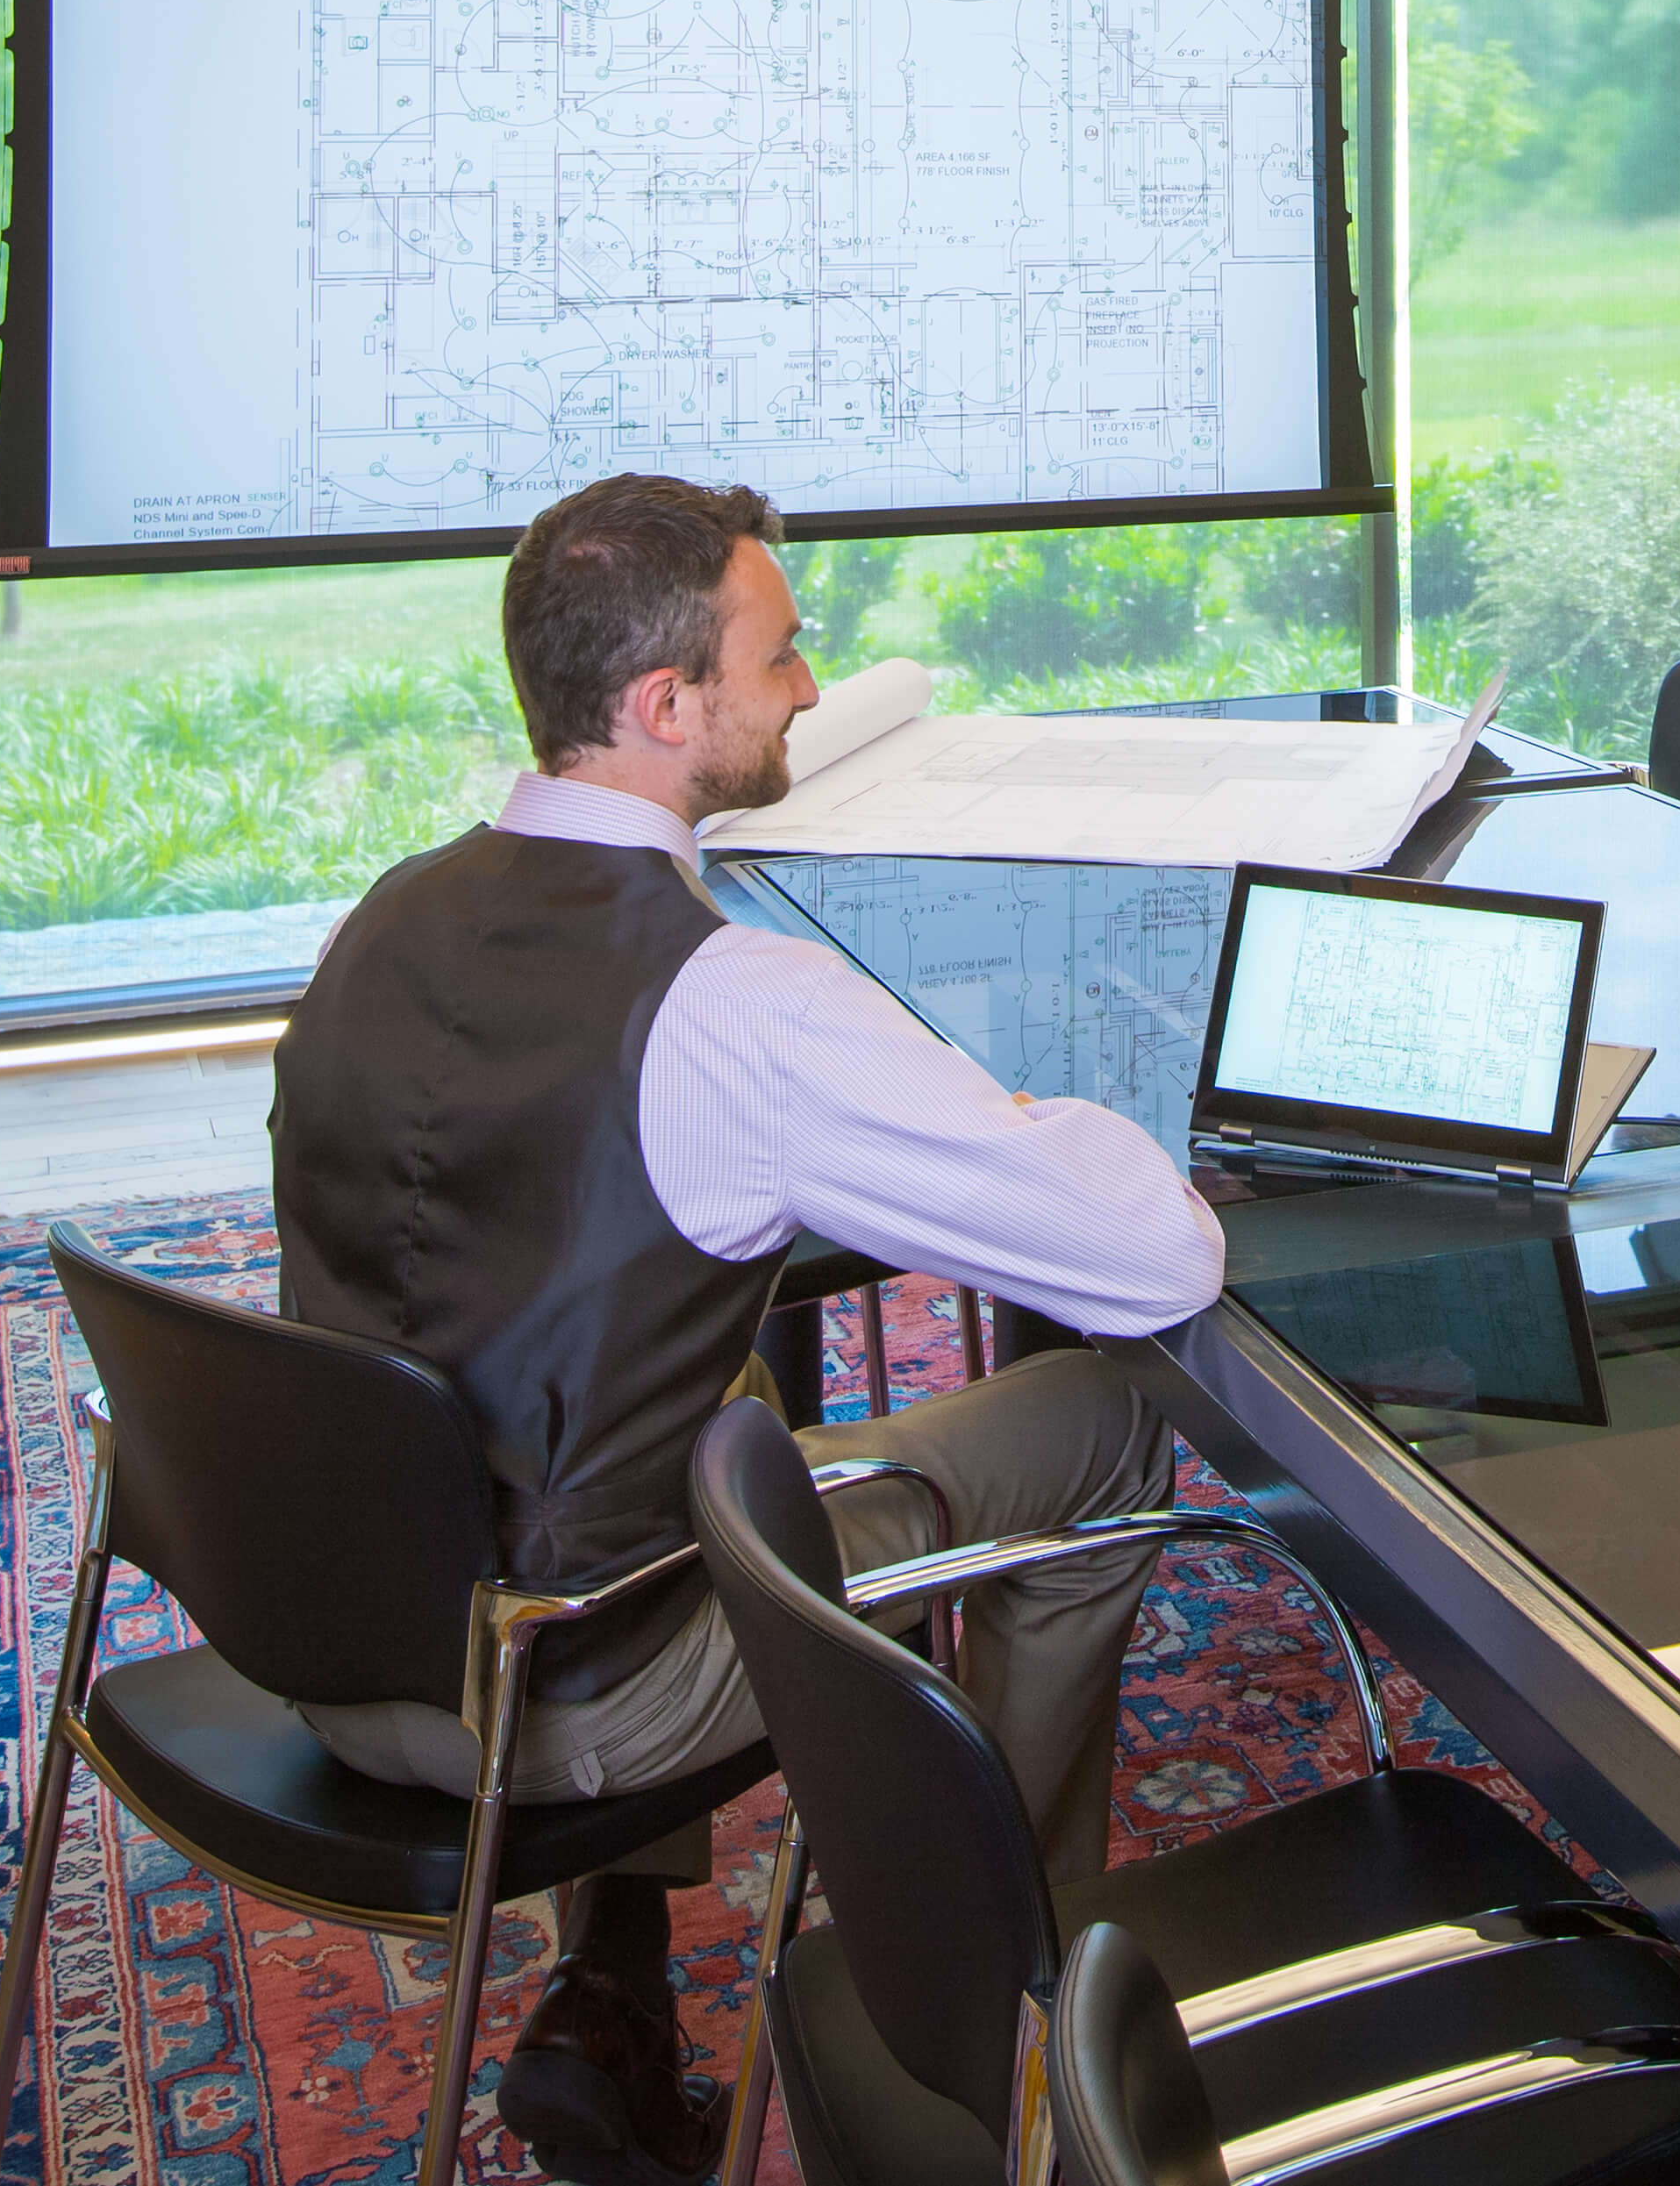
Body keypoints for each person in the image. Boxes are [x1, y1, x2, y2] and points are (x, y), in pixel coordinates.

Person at [269, 475, 1224, 2186]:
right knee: (1094, 1425)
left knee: (674, 1379)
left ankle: (613, 1983)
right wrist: (1018, 1114)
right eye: (779, 657)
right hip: (568, 1688)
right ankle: (986, 2013)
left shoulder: (382, 917)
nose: (806, 688)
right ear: (661, 708)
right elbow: (1150, 1260)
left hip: (328, 1632)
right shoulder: (737, 1010)